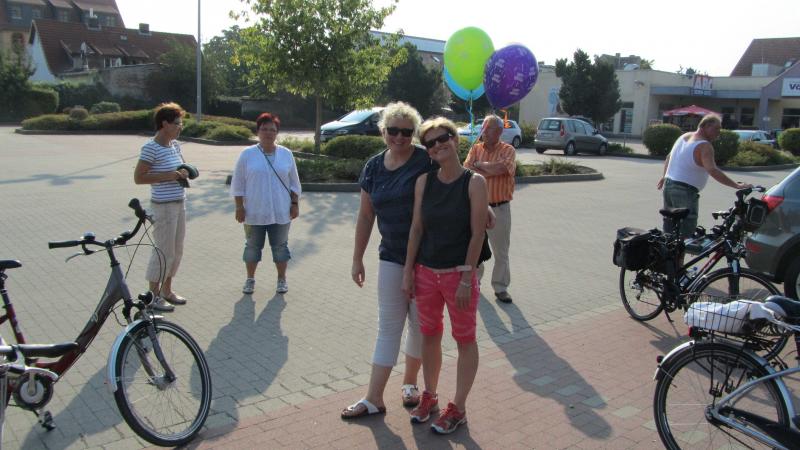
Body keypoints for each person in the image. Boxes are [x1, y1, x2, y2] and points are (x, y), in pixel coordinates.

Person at [341, 102, 429, 419]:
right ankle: (374, 397)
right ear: (383, 131)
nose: (400, 137)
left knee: (419, 325)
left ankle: (410, 382)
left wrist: (483, 205)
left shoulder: (425, 160)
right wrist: (357, 259)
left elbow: (458, 178)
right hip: (391, 255)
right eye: (394, 130)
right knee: (389, 326)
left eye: (407, 132)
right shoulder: (374, 167)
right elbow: (366, 216)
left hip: (427, 257)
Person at [401, 117, 488, 434]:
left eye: (443, 138)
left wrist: (467, 278)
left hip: (458, 275)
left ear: (455, 140)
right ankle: (430, 395)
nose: (438, 145)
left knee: (464, 339)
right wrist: (408, 271)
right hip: (426, 273)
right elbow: (416, 229)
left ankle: (458, 408)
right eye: (431, 143)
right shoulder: (424, 182)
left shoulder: (474, 182)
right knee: (429, 335)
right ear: (427, 150)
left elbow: (477, 234)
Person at [230, 113, 301, 295]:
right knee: (252, 247)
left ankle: (281, 279)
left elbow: (294, 182)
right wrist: (239, 206)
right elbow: (238, 183)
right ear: (258, 132)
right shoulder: (247, 154)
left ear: (277, 132)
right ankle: (250, 279)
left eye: (272, 130)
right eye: (264, 129)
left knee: (280, 247)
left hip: (281, 211)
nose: (268, 133)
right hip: (254, 212)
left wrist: (295, 203)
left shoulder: (286, 154)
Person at [133, 102, 192, 312]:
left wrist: (184, 172)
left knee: (176, 250)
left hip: (179, 203)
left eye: (181, 123)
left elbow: (179, 167)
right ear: (164, 124)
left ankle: (167, 290)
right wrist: (169, 176)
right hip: (163, 206)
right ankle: (153, 296)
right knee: (163, 251)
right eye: (177, 123)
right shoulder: (151, 148)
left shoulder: (174, 145)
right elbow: (139, 178)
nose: (180, 127)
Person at [657, 114, 752, 238]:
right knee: (686, 228)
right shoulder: (704, 146)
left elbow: (669, 157)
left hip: (669, 186)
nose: (718, 133)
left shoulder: (684, 137)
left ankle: (667, 249)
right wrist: (736, 185)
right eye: (716, 129)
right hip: (685, 191)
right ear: (706, 126)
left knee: (670, 225)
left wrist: (665, 176)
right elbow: (712, 170)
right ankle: (679, 250)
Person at [464, 114, 516, 303]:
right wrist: (486, 169)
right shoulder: (475, 148)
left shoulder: (508, 150)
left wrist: (480, 166)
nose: (483, 132)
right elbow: (467, 171)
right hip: (477, 208)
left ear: (499, 131)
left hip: (499, 208)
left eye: (488, 129)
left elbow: (502, 169)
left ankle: (501, 288)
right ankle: (474, 282)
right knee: (475, 248)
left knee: (501, 252)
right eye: (483, 129)